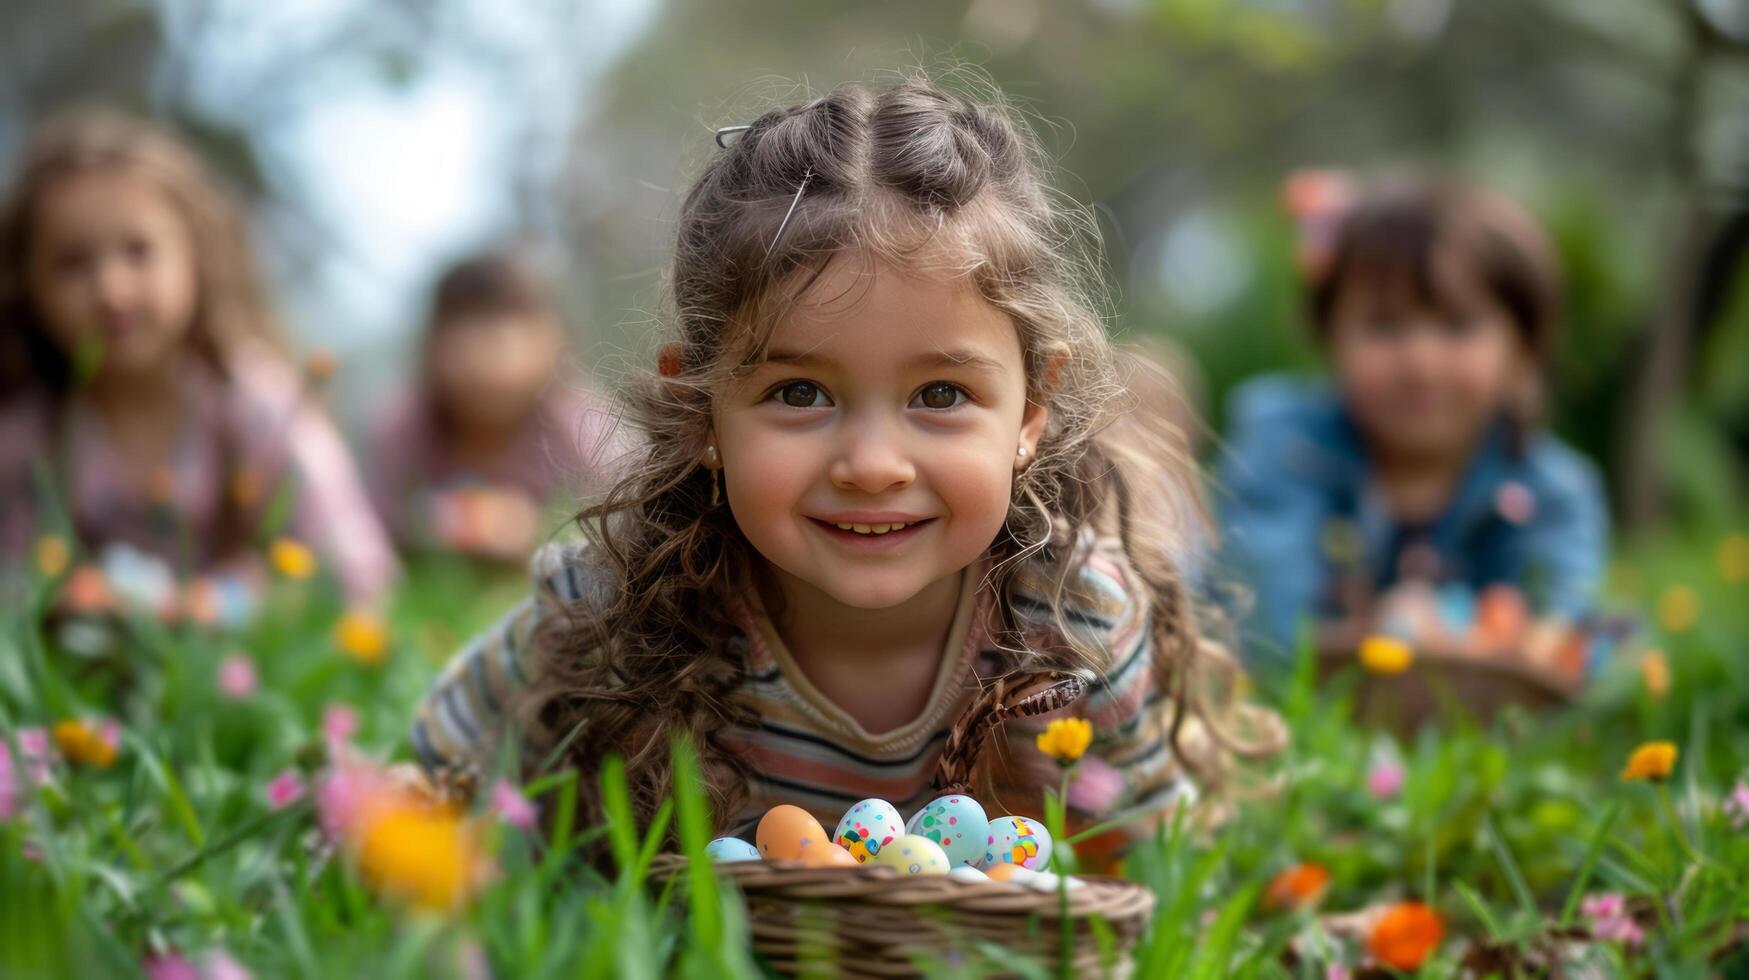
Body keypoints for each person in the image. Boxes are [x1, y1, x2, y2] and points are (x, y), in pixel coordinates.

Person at [411, 75, 1280, 843]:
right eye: (799, 394)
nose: (871, 464)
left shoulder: (1075, 624)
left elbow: (1162, 866)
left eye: (939, 397)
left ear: (1032, 409)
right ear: (702, 406)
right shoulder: (608, 607)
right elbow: (424, 771)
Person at [0, 108, 396, 618]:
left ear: (197, 255)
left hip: (241, 681)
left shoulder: (256, 405)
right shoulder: (28, 434)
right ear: (27, 284)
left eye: (139, 251)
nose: (111, 289)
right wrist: (62, 600)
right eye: (73, 263)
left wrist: (218, 605)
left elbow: (355, 569)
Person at [1219, 174, 1608, 670]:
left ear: (1523, 353)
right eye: (1385, 324)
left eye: (1458, 325)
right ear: (1328, 335)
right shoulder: (1284, 442)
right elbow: (1263, 628)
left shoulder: (1554, 494)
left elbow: (1557, 647)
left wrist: (1451, 634)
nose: (1420, 363)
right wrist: (1389, 639)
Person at [366, 250, 621, 563]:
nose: (487, 364)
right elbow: (374, 529)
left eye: (501, 340)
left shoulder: (579, 423)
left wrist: (538, 529)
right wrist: (438, 524)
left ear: (553, 340)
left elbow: (626, 519)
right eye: (466, 341)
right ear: (434, 347)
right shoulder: (407, 426)